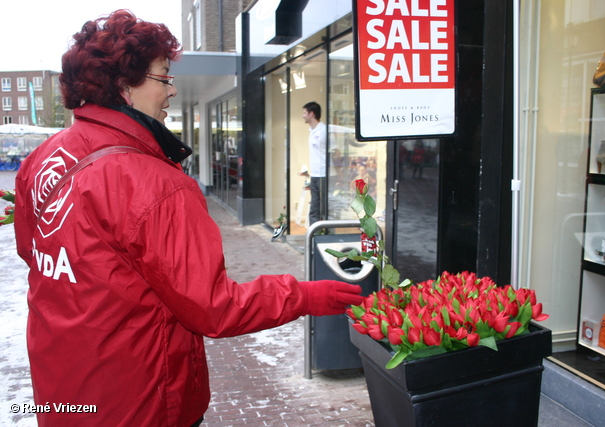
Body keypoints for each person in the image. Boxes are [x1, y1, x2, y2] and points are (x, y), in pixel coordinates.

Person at [12, 10, 363, 427]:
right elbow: (214, 308)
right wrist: (304, 296)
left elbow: (31, 250)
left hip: (63, 395)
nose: (172, 90)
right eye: (163, 76)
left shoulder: (43, 159)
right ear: (125, 86)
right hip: (140, 402)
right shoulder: (153, 183)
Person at [302, 101, 327, 225]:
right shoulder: (311, 131)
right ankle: (313, 237)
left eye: (305, 113)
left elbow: (334, 152)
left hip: (324, 175)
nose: (303, 115)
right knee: (314, 208)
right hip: (315, 174)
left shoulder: (324, 131)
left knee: (324, 209)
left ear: (311, 114)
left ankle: (327, 236)